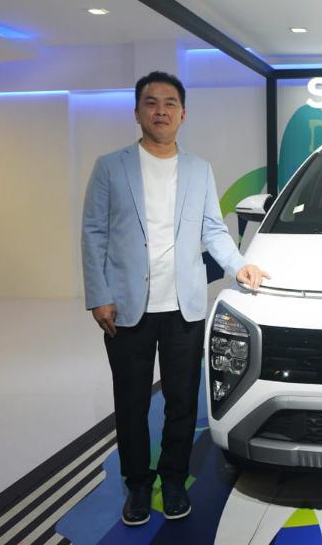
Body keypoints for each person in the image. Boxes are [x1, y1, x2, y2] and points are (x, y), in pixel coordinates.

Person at [81, 71, 269, 526]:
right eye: (151, 102)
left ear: (183, 114)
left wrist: (238, 265)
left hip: (185, 306)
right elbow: (94, 232)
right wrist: (99, 295)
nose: (160, 111)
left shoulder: (199, 169)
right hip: (127, 307)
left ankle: (172, 479)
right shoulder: (111, 167)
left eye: (169, 103)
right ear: (137, 112)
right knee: (131, 403)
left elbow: (213, 229)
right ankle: (137, 485)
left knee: (183, 401)